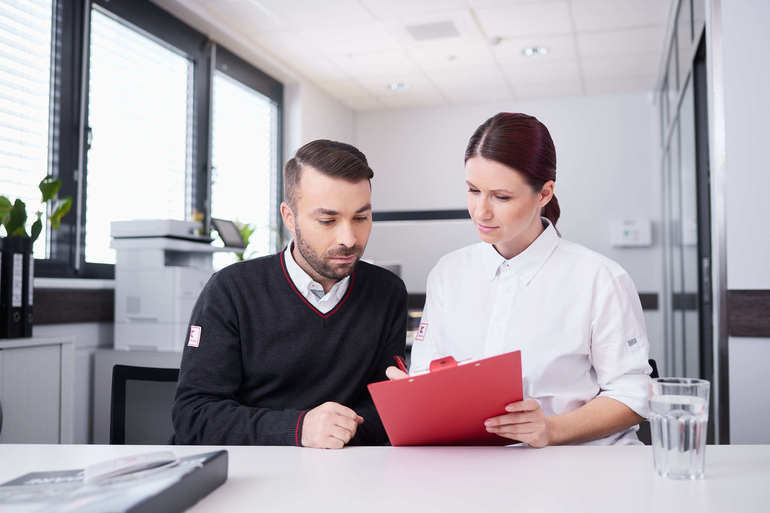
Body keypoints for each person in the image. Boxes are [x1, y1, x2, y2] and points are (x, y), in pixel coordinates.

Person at [387, 113, 651, 446]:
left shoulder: (599, 278)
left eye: (501, 197)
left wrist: (552, 429)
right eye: (473, 190)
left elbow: (633, 394)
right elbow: (429, 375)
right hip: (475, 469)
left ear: (544, 193)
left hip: (578, 467)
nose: (481, 211)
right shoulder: (448, 273)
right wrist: (411, 394)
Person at [173, 139, 407, 448]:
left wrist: (344, 430)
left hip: (348, 474)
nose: (349, 238)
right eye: (328, 220)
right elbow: (193, 417)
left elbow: (387, 410)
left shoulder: (386, 292)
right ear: (289, 218)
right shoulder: (231, 290)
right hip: (252, 474)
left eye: (361, 218)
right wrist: (300, 428)